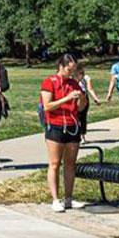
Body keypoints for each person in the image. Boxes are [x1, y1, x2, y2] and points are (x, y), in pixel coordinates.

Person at [40, 54, 87, 212]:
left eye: (73, 70)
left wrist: (81, 98)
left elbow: (80, 108)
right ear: (61, 66)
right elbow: (47, 106)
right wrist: (66, 99)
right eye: (69, 69)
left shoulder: (74, 83)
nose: (71, 73)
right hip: (56, 125)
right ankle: (55, 199)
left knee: (70, 164)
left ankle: (69, 198)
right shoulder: (49, 82)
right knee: (54, 163)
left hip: (72, 125)